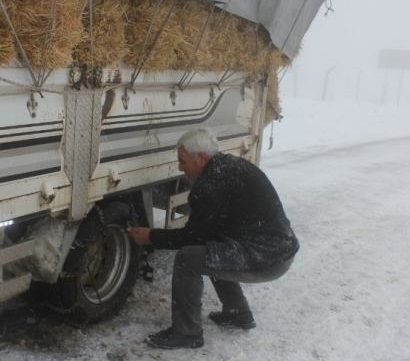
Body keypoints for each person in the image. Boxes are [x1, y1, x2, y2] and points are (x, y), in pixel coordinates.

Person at [127, 127, 299, 349]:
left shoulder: (211, 185)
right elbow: (206, 233)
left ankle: (187, 332)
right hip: (279, 250)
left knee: (189, 259)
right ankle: (238, 313)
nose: (180, 167)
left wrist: (151, 236)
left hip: (270, 258)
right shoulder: (228, 167)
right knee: (214, 247)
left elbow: (191, 237)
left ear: (201, 158)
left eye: (183, 161)